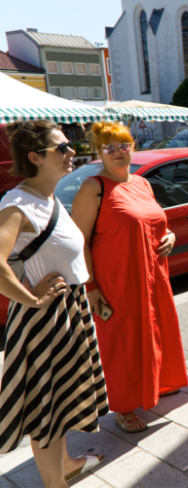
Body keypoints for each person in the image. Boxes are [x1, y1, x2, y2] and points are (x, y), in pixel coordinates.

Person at [0, 121, 108, 487]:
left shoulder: (46, 198)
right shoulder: (18, 202)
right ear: (35, 157)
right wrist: (32, 299)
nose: (71, 151)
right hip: (45, 319)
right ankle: (55, 483)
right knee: (46, 412)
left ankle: (64, 464)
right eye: (62, 148)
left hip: (66, 312)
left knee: (57, 403)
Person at [72, 122, 188, 434]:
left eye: (123, 145)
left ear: (132, 147)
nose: (118, 152)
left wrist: (172, 236)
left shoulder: (141, 184)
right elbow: (79, 241)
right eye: (109, 147)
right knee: (121, 342)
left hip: (152, 274)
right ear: (99, 153)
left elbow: (156, 223)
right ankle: (123, 408)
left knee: (154, 331)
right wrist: (91, 287)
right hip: (117, 280)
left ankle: (157, 384)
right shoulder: (94, 187)